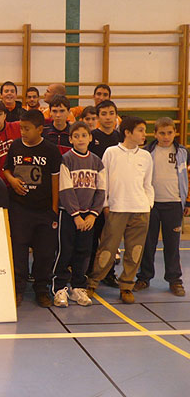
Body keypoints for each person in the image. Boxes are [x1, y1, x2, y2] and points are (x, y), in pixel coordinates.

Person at [86, 116, 154, 304]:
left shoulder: (146, 156)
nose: (144, 134)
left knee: (135, 251)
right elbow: (103, 181)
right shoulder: (111, 153)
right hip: (117, 209)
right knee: (107, 249)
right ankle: (93, 282)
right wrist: (105, 205)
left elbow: (148, 184)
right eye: (140, 130)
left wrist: (148, 204)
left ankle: (126, 286)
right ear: (128, 132)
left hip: (140, 211)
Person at [3, 110, 62, 307]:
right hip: (20, 208)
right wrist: (12, 181)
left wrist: (54, 209)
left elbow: (55, 180)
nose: (23, 132)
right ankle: (18, 288)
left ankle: (41, 289)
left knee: (44, 252)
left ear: (40, 129)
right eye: (21, 128)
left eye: (27, 129)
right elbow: (6, 169)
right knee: (19, 250)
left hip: (44, 210)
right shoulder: (15, 146)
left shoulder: (51, 150)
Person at [52, 122, 106, 308]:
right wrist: (76, 215)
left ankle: (78, 286)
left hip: (88, 217)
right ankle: (59, 287)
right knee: (65, 251)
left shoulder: (97, 162)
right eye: (76, 136)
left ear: (90, 138)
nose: (80, 139)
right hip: (69, 215)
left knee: (83, 252)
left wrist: (93, 215)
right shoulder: (66, 159)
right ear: (70, 139)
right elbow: (65, 190)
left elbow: (101, 190)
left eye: (84, 135)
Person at [135, 117, 188, 297]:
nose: (166, 137)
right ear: (155, 134)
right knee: (148, 243)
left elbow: (187, 177)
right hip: (151, 204)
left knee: (172, 244)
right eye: (162, 133)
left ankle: (175, 280)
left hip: (173, 203)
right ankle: (144, 277)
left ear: (175, 133)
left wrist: (187, 201)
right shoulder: (146, 153)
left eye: (170, 133)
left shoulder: (182, 152)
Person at [88, 99, 122, 287]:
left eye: (111, 113)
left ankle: (108, 273)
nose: (108, 117)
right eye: (103, 114)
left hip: (115, 195)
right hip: (94, 195)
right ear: (98, 117)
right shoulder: (91, 137)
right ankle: (89, 273)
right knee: (92, 238)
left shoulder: (120, 137)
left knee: (110, 239)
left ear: (116, 116)